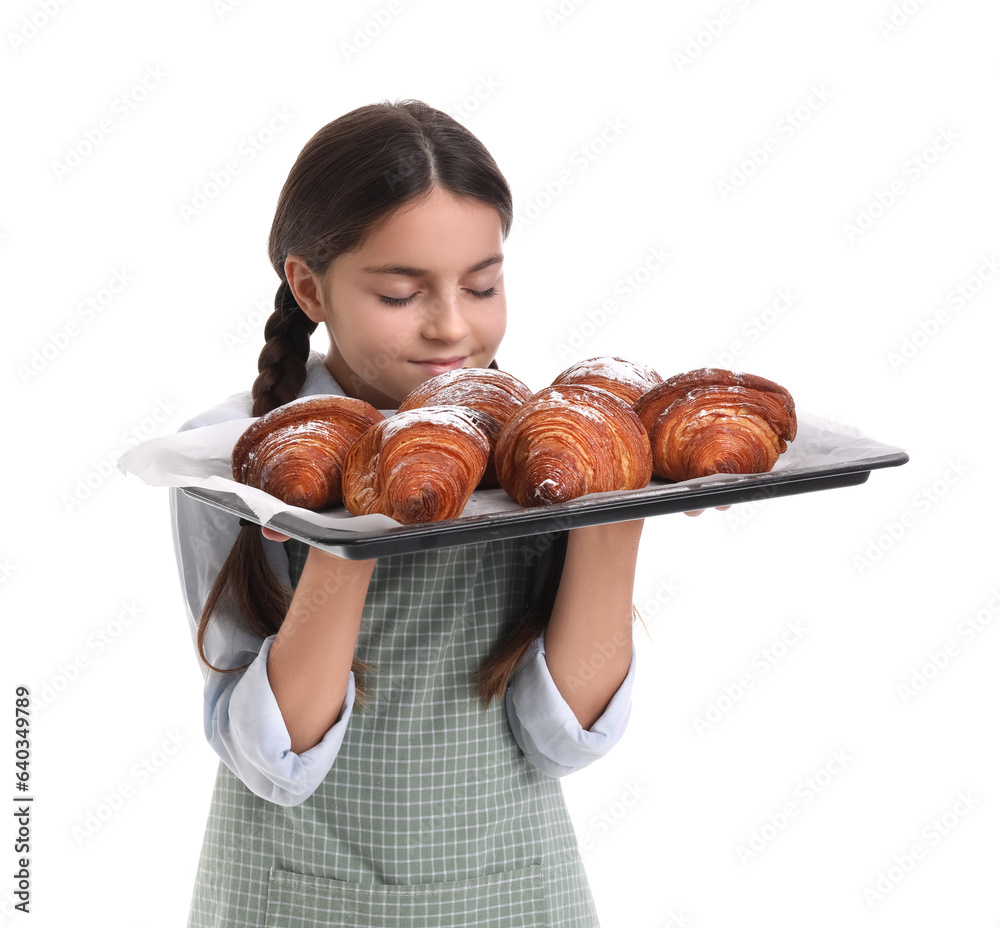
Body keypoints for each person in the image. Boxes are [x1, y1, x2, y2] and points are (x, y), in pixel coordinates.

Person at [168, 99, 645, 928]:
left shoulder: (539, 449)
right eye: (400, 292)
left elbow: (562, 740)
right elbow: (276, 765)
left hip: (513, 891)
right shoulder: (229, 458)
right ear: (310, 287)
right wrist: (343, 533)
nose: (453, 326)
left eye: (483, 284)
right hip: (294, 894)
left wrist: (618, 513)